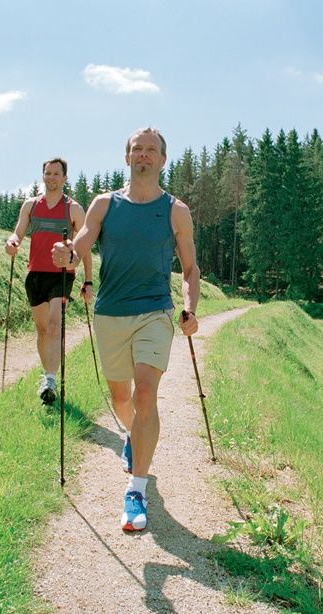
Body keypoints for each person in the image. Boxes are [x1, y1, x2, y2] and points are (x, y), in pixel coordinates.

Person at [52, 127, 200, 531]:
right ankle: (133, 436)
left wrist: (189, 308)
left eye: (151, 150)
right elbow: (81, 244)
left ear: (163, 160)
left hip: (155, 311)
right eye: (137, 149)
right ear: (127, 157)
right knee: (122, 398)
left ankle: (137, 488)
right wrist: (68, 254)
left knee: (146, 393)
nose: (144, 155)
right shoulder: (105, 204)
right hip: (110, 313)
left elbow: (190, 270)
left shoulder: (176, 211)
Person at [5, 157, 93, 405]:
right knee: (43, 331)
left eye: (56, 173)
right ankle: (46, 376)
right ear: (43, 176)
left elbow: (84, 248)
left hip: (61, 274)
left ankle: (51, 381)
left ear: (65, 178)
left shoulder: (73, 209)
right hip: (35, 275)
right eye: (48, 173)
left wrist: (88, 281)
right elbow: (18, 232)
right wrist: (12, 243)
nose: (51, 177)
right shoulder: (31, 205)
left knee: (54, 326)